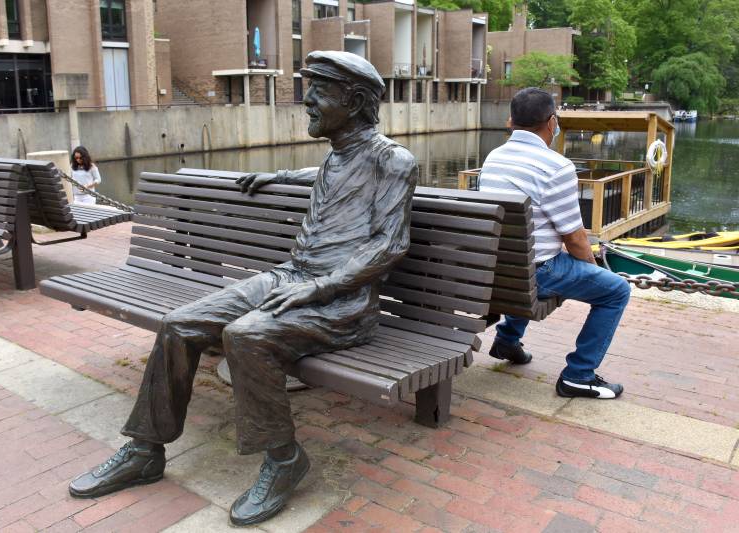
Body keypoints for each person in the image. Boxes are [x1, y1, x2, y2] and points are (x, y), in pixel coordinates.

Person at [67, 51, 418, 526]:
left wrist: (318, 289)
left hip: (342, 302)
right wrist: (279, 177)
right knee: (178, 325)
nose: (307, 101)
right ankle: (145, 451)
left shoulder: (394, 161)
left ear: (354, 100)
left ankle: (284, 459)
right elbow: (325, 177)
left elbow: (389, 245)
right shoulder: (336, 158)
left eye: (317, 90)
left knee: (246, 335)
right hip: (291, 277)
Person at [478, 87, 631, 400]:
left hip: (498, 268)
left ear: (511, 121)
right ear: (551, 122)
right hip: (536, 272)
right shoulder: (557, 167)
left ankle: (507, 339)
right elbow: (575, 239)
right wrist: (591, 270)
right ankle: (579, 375)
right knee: (616, 291)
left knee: (521, 258)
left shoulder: (493, 158)